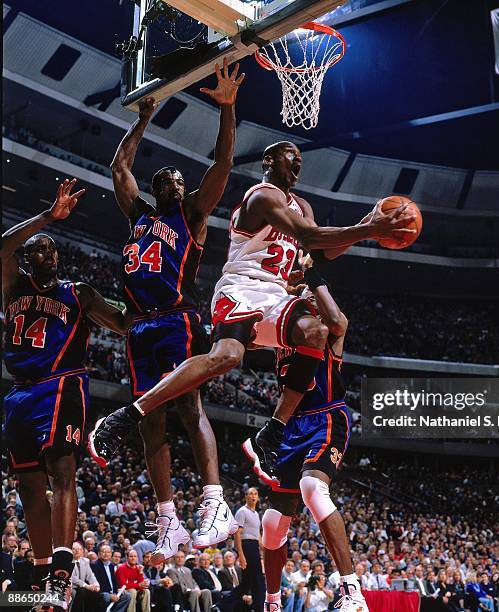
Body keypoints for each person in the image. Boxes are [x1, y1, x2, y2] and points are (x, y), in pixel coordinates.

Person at [88, 142, 414, 482]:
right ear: (269, 160)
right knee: (227, 357)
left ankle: (271, 433)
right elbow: (309, 235)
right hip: (240, 287)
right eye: (292, 156)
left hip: (275, 294)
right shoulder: (261, 196)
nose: (298, 163)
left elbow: (319, 251)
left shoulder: (301, 205)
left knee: (316, 332)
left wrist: (367, 224)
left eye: (301, 159)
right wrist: (371, 230)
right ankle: (128, 414)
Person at [88, 58, 245, 563]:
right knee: (147, 422)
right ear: (158, 188)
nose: (175, 183)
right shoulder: (140, 213)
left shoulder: (193, 215)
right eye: (168, 180)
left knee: (187, 406)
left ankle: (215, 502)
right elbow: (119, 168)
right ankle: (167, 519)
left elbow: (221, 166)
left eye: (180, 179)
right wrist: (143, 117)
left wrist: (227, 110)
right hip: (138, 327)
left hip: (177, 318)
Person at [1, 180, 130, 609]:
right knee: (29, 488)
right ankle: (40, 578)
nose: (48, 253)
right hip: (19, 394)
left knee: (61, 472)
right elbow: (1, 247)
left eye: (53, 249)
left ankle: (61, 572)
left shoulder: (78, 293)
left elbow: (122, 322)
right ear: (27, 259)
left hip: (62, 385)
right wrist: (45, 218)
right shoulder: (13, 287)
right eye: (39, 248)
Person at [258, 252, 369, 612]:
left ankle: (352, 592)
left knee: (312, 486)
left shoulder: (327, 331)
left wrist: (311, 274)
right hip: (291, 428)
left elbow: (340, 319)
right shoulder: (282, 335)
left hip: (326, 417)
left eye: (309, 298)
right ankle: (272, 601)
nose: (304, 301)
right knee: (273, 524)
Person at [234, 487, 266, 610]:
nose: (253, 496)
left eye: (255, 494)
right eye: (250, 494)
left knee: (247, 582)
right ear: (246, 497)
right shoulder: (242, 511)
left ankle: (222, 606)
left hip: (254, 546)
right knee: (258, 581)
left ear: (258, 497)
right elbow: (237, 533)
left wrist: (265, 551)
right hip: (246, 545)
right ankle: (259, 608)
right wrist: (241, 554)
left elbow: (258, 535)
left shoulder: (257, 514)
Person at [91, 544, 132, 612]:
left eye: (108, 552)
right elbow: (97, 584)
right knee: (106, 596)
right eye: (103, 552)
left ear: (111, 554)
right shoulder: (94, 565)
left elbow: (113, 582)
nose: (106, 554)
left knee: (127, 596)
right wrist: (111, 595)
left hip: (112, 592)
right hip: (101, 593)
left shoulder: (111, 566)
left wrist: (118, 589)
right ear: (98, 553)